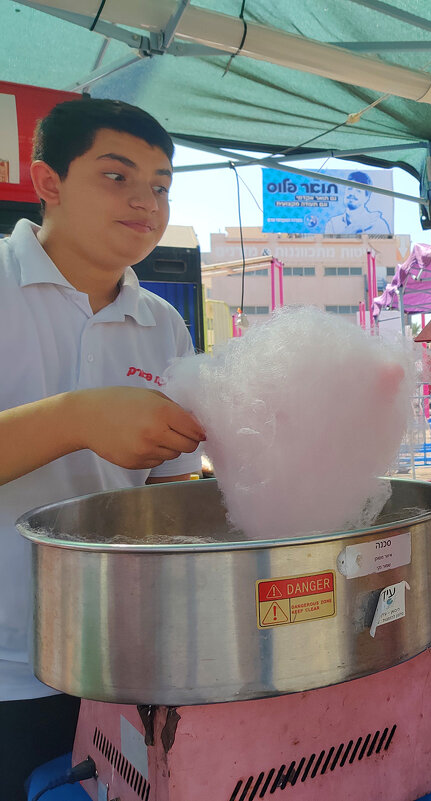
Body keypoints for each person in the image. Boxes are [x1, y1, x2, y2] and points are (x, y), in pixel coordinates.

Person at [0, 97, 205, 800]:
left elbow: (172, 499)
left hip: (120, 660)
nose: (146, 202)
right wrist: (80, 417)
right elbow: (84, 425)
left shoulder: (163, 326)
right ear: (48, 181)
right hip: (5, 669)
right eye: (117, 177)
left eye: (161, 185)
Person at [323, 170, 392, 235]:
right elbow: (328, 247)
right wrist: (354, 228)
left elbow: (387, 247)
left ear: (367, 198)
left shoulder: (378, 224)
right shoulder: (333, 223)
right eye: (349, 188)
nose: (352, 193)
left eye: (358, 191)